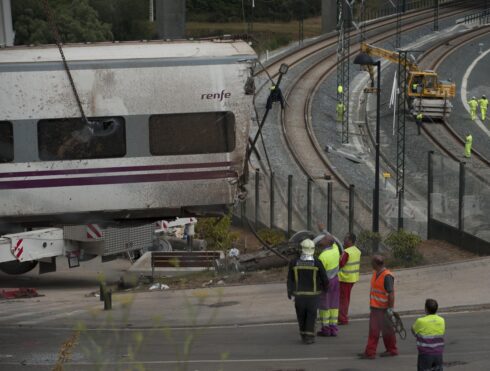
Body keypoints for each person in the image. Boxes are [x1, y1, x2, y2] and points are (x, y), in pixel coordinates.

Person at [287, 239, 329, 344]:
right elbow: (325, 278)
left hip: (299, 296)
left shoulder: (294, 262)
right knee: (311, 316)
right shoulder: (317, 262)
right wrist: (325, 289)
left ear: (301, 249)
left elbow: (290, 279)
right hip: (313, 296)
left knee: (301, 316)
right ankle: (309, 337)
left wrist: (290, 292)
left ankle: (303, 335)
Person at [359, 255, 398, 359]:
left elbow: (391, 294)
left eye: (372, 262)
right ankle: (391, 350)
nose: (370, 264)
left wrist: (390, 309)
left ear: (376, 264)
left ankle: (370, 353)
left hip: (382, 309)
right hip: (376, 307)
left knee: (374, 331)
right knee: (386, 331)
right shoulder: (376, 273)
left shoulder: (387, 276)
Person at [412, 299, 445, 371]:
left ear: (426, 309)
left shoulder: (420, 321)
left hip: (425, 354)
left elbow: (414, 331)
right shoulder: (441, 320)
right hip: (438, 353)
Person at [317, 235, 341, 337]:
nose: (321, 239)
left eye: (323, 239)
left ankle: (325, 329)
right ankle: (333, 328)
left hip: (326, 282)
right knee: (334, 304)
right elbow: (334, 240)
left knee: (324, 305)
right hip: (335, 280)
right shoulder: (336, 250)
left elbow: (320, 273)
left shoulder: (322, 256)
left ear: (327, 242)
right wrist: (323, 231)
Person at [338, 233, 361, 325]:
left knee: (343, 299)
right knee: (346, 298)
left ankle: (343, 319)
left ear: (350, 241)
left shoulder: (347, 252)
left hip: (345, 278)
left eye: (345, 239)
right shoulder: (357, 251)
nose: (344, 241)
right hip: (352, 278)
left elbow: (340, 264)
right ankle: (342, 317)